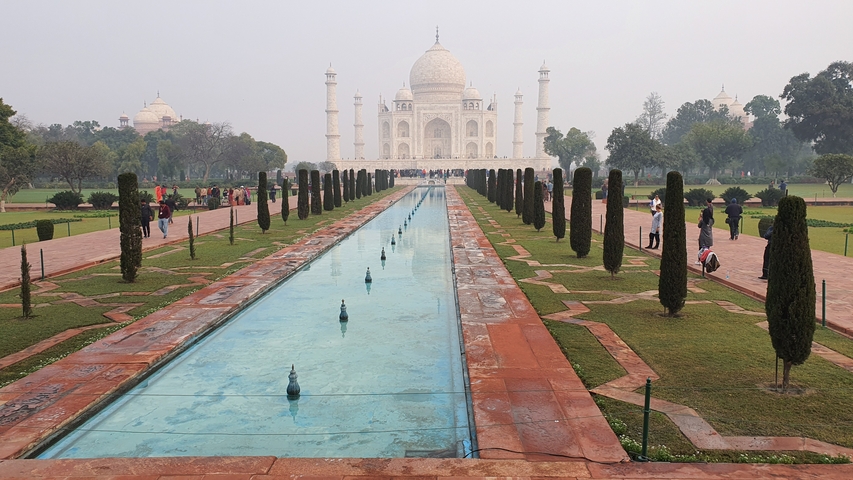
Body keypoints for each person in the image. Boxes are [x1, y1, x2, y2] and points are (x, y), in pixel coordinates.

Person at [696, 198, 714, 262]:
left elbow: (699, 226)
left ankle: (699, 260)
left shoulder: (703, 221)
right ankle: (706, 260)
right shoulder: (712, 221)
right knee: (707, 250)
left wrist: (701, 218)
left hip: (703, 237)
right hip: (709, 237)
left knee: (701, 250)